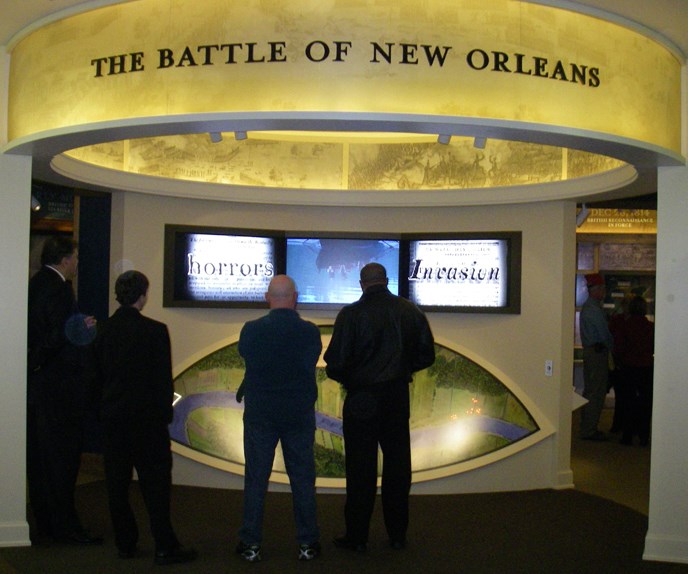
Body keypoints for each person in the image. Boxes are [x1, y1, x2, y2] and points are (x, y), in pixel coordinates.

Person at [324, 262, 435, 551]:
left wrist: (355, 379)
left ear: (362, 284)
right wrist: (402, 369)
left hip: (361, 399)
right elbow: (427, 355)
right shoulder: (410, 311)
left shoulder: (350, 315)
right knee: (398, 467)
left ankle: (357, 537)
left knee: (360, 469)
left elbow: (334, 364)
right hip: (397, 397)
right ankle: (397, 536)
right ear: (386, 281)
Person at [91, 271, 197, 565]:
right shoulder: (155, 330)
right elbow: (163, 381)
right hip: (148, 422)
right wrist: (165, 414)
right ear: (143, 295)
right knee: (156, 486)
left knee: (117, 485)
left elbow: (96, 378)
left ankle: (125, 543)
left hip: (114, 420)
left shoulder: (103, 331)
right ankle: (164, 544)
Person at [235, 275, 322, 563]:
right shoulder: (310, 333)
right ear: (295, 297)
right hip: (298, 413)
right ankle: (307, 544)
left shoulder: (251, 330)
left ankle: (251, 545)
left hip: (261, 413)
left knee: (256, 479)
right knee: (302, 479)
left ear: (266, 296)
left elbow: (246, 356)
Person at [27, 236, 101, 545]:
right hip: (60, 391)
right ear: (64, 260)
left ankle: (47, 526)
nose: (78, 263)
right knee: (62, 461)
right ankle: (65, 529)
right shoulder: (58, 289)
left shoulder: (37, 283)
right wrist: (81, 327)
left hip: (43, 388)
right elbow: (56, 336)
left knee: (43, 462)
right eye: (75, 257)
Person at [578, 273, 614, 441]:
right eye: (602, 289)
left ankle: (587, 426)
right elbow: (604, 334)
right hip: (596, 353)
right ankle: (589, 429)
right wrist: (614, 348)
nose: (604, 292)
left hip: (592, 352)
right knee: (596, 392)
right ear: (595, 289)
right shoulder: (594, 309)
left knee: (591, 390)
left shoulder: (590, 307)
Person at [615, 296, 654, 446]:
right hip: (646, 367)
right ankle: (644, 436)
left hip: (628, 367)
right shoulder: (650, 327)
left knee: (627, 402)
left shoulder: (625, 326)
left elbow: (619, 347)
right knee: (645, 403)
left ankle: (627, 435)